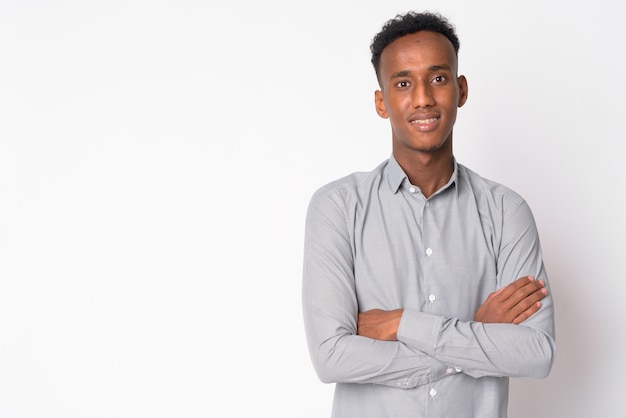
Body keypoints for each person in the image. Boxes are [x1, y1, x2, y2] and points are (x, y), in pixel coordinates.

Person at [302, 11, 556, 418]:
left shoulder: (507, 212)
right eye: (403, 83)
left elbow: (536, 353)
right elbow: (332, 356)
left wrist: (402, 323)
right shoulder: (338, 207)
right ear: (382, 102)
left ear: (461, 90)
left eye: (437, 79)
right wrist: (475, 336)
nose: (422, 98)